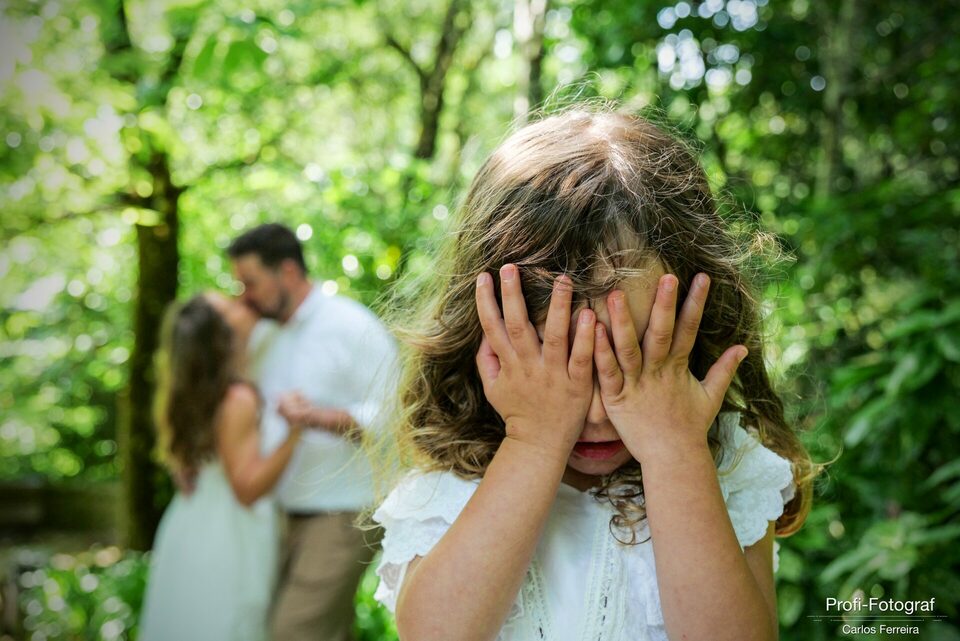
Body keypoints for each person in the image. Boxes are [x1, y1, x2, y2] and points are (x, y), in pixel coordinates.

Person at [370, 109, 817, 641]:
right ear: (485, 341)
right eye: (563, 366)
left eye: (636, 361)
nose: (602, 413)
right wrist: (533, 443)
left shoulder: (724, 464)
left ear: (697, 334)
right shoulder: (460, 474)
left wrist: (676, 451)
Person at [227, 223, 397, 641]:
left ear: (287, 272)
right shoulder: (262, 336)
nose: (244, 295)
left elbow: (396, 415)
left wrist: (319, 418)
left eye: (251, 282)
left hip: (342, 512)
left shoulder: (351, 325)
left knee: (293, 632)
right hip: (278, 515)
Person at [140, 293, 306, 641]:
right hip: (229, 534)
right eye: (231, 304)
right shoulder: (237, 399)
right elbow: (246, 489)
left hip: (189, 525)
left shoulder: (181, 391)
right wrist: (294, 434)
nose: (243, 300)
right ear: (222, 334)